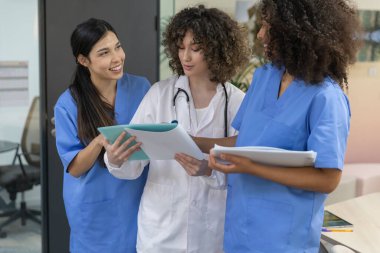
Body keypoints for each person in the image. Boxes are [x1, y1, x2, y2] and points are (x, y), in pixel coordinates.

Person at [193, 0, 362, 252]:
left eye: (267, 26)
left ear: (294, 32)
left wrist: (252, 167)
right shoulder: (264, 76)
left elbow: (328, 179)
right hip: (240, 230)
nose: (260, 33)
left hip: (284, 238)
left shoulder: (326, 97)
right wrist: (193, 142)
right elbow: (247, 142)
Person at [103, 5, 250, 253]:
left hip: (212, 235)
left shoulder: (237, 102)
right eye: (181, 48)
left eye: (195, 48)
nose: (186, 57)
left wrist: (208, 170)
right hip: (161, 234)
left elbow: (247, 171)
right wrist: (116, 159)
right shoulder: (160, 95)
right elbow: (133, 165)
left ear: (216, 49)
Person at [54, 18, 150, 253]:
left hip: (138, 198)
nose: (117, 58)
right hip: (95, 207)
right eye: (104, 53)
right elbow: (75, 167)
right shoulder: (68, 103)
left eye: (118, 47)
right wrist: (99, 141)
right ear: (83, 60)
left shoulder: (142, 88)